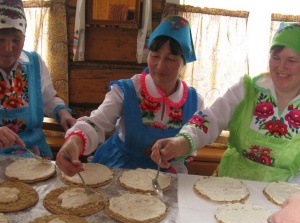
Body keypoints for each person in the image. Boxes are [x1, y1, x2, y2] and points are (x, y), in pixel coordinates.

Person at [151, 21, 300, 183]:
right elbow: (212, 118)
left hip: (284, 195)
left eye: (292, 60)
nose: (281, 67)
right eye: (276, 58)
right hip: (230, 185)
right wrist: (182, 141)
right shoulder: (248, 89)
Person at [56, 15, 204, 176]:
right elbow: (97, 122)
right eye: (155, 56)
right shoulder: (127, 90)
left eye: (170, 58)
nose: (160, 66)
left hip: (164, 175)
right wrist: (74, 143)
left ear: (184, 62)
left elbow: (192, 143)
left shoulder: (194, 103)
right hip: (120, 167)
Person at [0, 0, 76, 159]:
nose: (8, 48)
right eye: (0, 40)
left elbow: (47, 97)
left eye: (16, 39)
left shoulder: (33, 63)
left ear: (24, 37)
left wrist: (63, 114)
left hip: (34, 153)